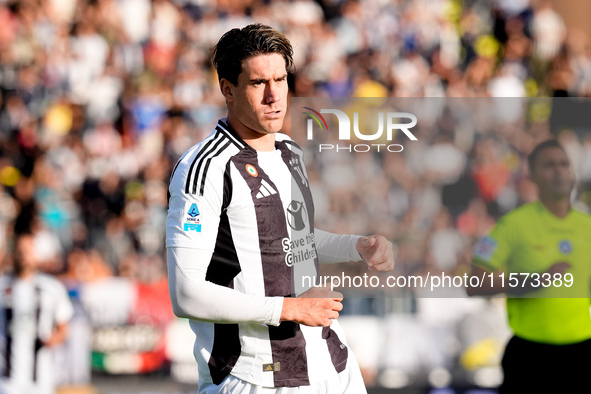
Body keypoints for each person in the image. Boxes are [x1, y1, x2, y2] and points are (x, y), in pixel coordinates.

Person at [166, 23, 394, 393]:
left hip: (331, 366)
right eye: (258, 83)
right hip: (256, 376)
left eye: (281, 79)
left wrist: (354, 246)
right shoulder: (205, 168)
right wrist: (289, 309)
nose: (274, 95)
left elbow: (285, 238)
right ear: (228, 88)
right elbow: (186, 293)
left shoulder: (289, 151)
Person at [466, 139, 591, 393]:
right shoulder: (512, 225)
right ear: (532, 175)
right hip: (530, 356)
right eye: (549, 165)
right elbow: (473, 284)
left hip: (582, 353)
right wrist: (533, 281)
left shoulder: (586, 225)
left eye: (564, 164)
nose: (558, 171)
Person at [0, 233, 74, 394]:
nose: (23, 256)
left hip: (40, 379)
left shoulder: (51, 288)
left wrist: (54, 339)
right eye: (19, 251)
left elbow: (63, 329)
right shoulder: (3, 286)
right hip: (6, 380)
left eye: (27, 251)